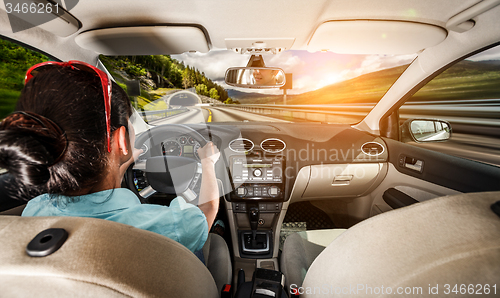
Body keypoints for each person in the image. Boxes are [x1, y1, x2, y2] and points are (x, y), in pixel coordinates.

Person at [0, 61, 220, 254]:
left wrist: (121, 162)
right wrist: (207, 163)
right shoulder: (166, 226)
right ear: (122, 140)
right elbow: (207, 211)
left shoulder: (35, 209)